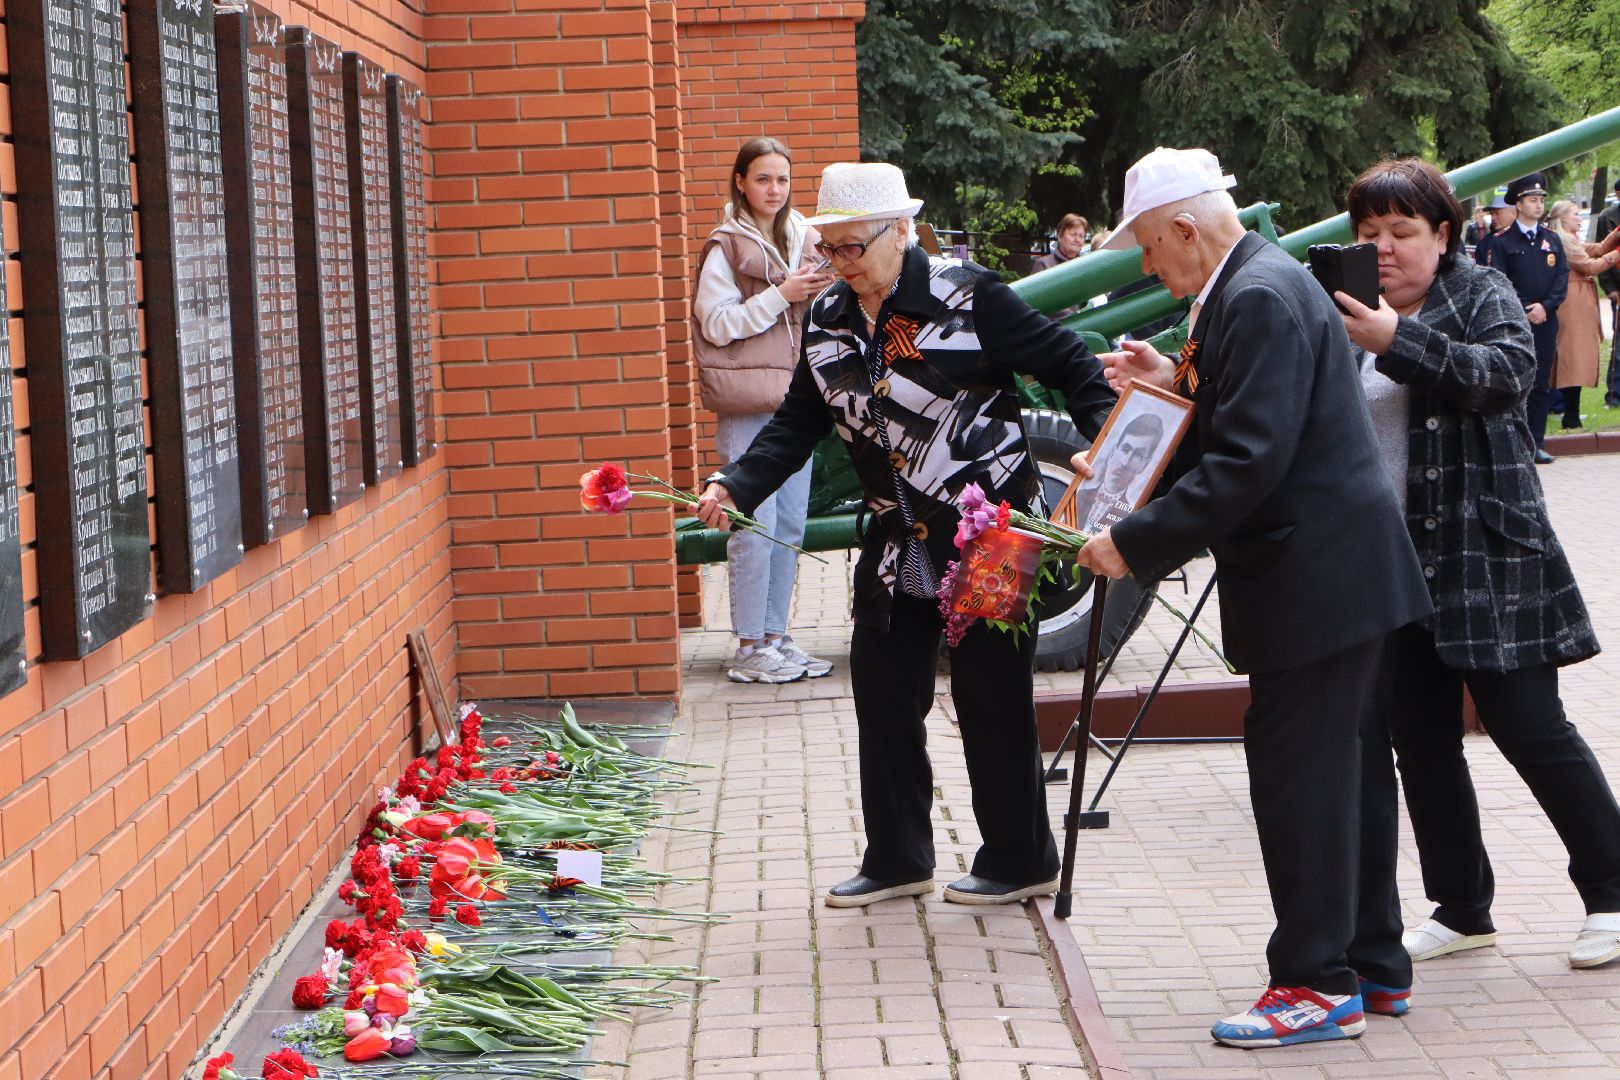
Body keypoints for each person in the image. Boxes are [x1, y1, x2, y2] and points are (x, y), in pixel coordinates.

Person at [1078, 146, 1432, 1047]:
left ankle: (1315, 984)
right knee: (1344, 773)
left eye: (1151, 252)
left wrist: (1133, 539)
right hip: (1337, 576)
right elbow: (1243, 418)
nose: (1150, 270)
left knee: (1302, 779)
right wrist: (1169, 383)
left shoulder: (1259, 295)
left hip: (1314, 580)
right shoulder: (1253, 284)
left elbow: (1248, 460)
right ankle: (1372, 965)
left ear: (1187, 229)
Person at [693, 161, 1116, 909]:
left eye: (854, 247)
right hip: (897, 535)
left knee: (992, 693)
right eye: (831, 249)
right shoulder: (827, 316)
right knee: (884, 691)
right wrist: (736, 483)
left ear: (902, 232)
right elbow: (798, 421)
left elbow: (1070, 361)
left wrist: (1108, 451)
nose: (842, 263)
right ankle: (897, 858)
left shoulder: (969, 295)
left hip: (993, 533)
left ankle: (1020, 857)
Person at [1332, 157, 1620, 975]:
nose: (1383, 248)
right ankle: (1461, 907)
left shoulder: (1478, 292)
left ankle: (1612, 890)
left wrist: (1399, 341)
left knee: (1532, 729)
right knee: (1419, 742)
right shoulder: (1345, 308)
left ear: (1443, 234)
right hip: (1390, 566)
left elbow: (1504, 375)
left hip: (1484, 554)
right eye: (1368, 233)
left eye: (1402, 232)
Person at [691, 137, 837, 685]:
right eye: (762, 179)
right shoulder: (725, 247)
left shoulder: (802, 234)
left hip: (796, 400)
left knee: (790, 523)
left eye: (781, 179)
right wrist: (784, 292)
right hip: (750, 401)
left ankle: (776, 637)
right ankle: (749, 644)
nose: (773, 190)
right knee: (754, 523)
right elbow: (717, 323)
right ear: (740, 182)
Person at [1475, 173, 1567, 462]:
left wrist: (1546, 307)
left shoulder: (1551, 239)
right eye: (1532, 200)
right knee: (1515, 381)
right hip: (1515, 321)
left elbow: (1562, 277)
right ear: (1518, 204)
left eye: (1541, 200)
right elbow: (1499, 279)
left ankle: (1535, 443)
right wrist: (1527, 307)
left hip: (1546, 320)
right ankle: (1513, 444)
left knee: (1540, 383)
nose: (1538, 205)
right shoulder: (1501, 242)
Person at [1548, 199, 1620, 429]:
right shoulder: (1564, 240)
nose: (1580, 218)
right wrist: (1618, 254)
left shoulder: (1570, 240)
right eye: (1576, 214)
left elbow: (1598, 249)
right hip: (1573, 303)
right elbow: (1591, 266)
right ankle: (1571, 416)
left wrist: (1617, 233)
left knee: (1576, 360)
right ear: (1563, 218)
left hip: (1577, 301)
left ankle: (1572, 415)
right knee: (1573, 360)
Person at [1074, 412, 1164, 533]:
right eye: (1125, 449)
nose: (1125, 462)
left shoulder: (1135, 518)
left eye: (1138, 455)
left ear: (1145, 464)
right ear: (1113, 452)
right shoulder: (1079, 495)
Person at [1595, 178, 1620, 406]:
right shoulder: (1607, 217)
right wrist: (1610, 288)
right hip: (1618, 288)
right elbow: (1601, 255)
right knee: (1619, 344)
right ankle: (1614, 395)